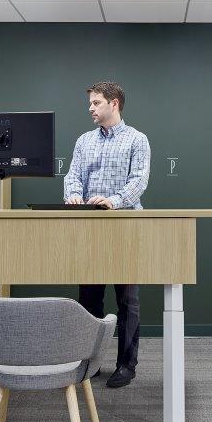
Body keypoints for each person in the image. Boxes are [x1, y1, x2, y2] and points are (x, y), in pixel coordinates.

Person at [64, 81, 151, 388]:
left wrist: (113, 201)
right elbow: (73, 175)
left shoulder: (136, 140)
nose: (91, 108)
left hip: (125, 228)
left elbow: (139, 181)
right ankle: (88, 362)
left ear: (114, 104)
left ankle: (126, 365)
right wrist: (74, 195)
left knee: (127, 298)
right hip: (90, 230)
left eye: (96, 102)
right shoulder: (84, 141)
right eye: (90, 103)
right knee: (89, 297)